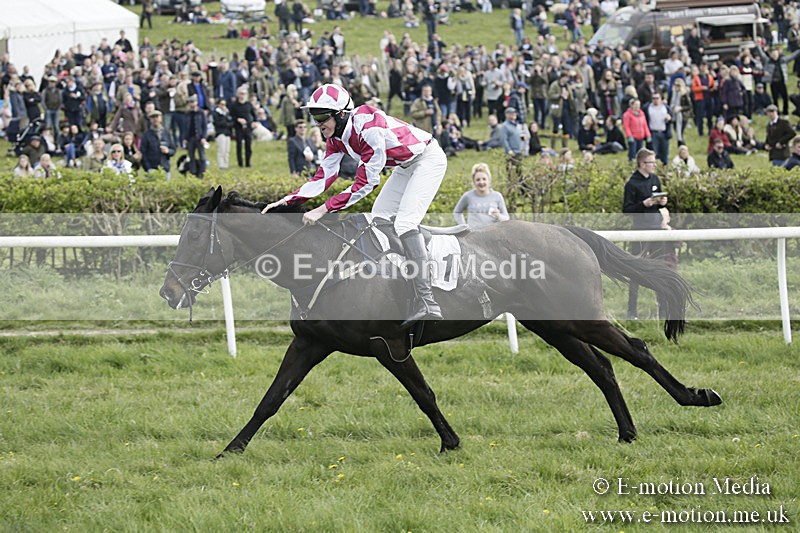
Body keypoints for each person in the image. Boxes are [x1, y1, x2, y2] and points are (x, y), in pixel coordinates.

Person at [261, 84, 447, 326]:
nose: (317, 124)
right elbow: (323, 178)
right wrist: (284, 202)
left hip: (428, 160)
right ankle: (401, 281)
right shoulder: (336, 137)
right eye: (313, 117)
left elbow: (366, 183)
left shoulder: (368, 129)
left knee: (404, 223)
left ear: (340, 115)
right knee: (379, 219)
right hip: (404, 166)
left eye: (321, 117)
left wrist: (323, 209)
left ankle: (427, 300)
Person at [622, 148, 669, 320]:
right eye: (652, 162)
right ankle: (632, 311)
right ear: (642, 164)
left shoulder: (655, 179)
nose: (655, 165)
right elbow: (626, 210)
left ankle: (662, 309)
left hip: (656, 230)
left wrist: (661, 202)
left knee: (660, 269)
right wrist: (644, 204)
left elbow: (658, 203)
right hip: (640, 232)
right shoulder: (632, 184)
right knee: (636, 271)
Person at [453, 164, 510, 230]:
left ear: (489, 180)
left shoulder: (497, 196)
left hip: (492, 235)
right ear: (474, 182)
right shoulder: (468, 196)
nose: (481, 182)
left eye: (484, 179)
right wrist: (463, 226)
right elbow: (457, 212)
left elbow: (506, 218)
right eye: (478, 180)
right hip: (473, 235)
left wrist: (498, 216)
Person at [140, 110, 176, 178]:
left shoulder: (166, 133)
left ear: (161, 118)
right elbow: (143, 153)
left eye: (157, 116)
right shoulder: (146, 135)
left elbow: (173, 150)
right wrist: (148, 168)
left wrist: (168, 151)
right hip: (152, 169)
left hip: (165, 168)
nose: (155, 119)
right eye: (153, 117)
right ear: (150, 120)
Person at [229, 86, 257, 168]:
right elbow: (230, 116)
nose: (242, 96)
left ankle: (248, 163)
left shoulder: (248, 104)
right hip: (238, 127)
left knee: (248, 146)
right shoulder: (234, 105)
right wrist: (237, 119)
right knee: (239, 146)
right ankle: (240, 163)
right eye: (241, 94)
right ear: (238, 94)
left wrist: (254, 122)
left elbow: (253, 114)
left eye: (244, 94)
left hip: (248, 127)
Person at [185, 95, 208, 178]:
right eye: (190, 102)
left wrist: (204, 137)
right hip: (191, 138)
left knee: (202, 156)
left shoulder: (201, 112)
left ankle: (202, 172)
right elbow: (186, 126)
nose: (192, 104)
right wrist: (185, 138)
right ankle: (193, 172)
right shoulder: (188, 113)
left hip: (199, 137)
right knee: (191, 156)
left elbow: (204, 126)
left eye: (193, 102)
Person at [212, 98, 233, 170]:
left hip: (227, 133)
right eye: (222, 104)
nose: (223, 106)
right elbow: (218, 123)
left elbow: (231, 122)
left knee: (227, 150)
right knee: (221, 150)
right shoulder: (216, 113)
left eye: (224, 104)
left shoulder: (227, 112)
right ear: (218, 105)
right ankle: (221, 164)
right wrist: (226, 123)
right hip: (220, 133)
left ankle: (226, 164)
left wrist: (227, 123)